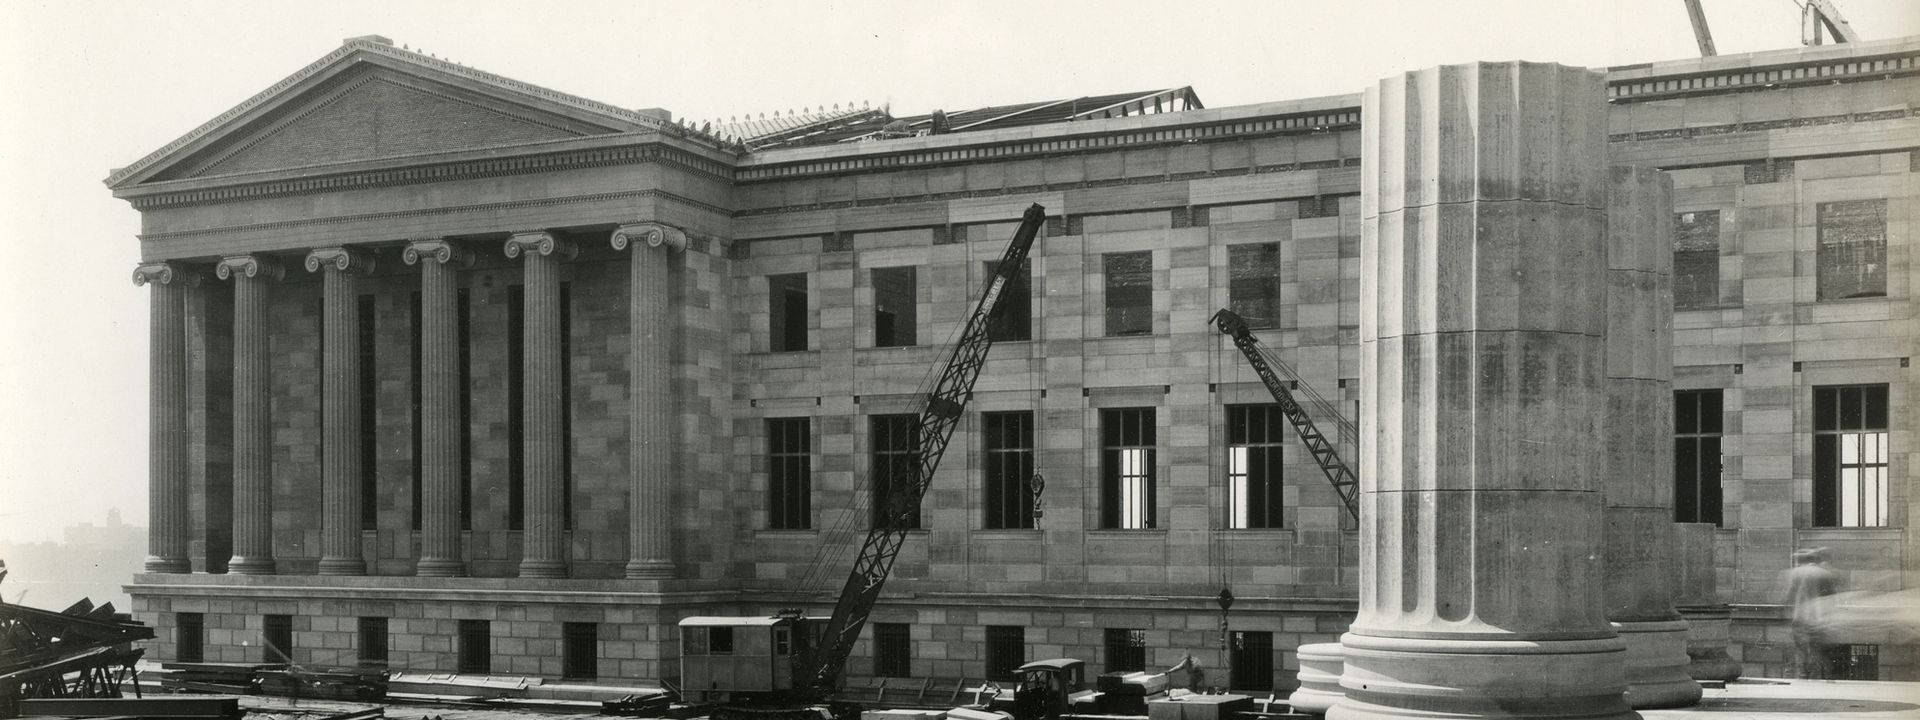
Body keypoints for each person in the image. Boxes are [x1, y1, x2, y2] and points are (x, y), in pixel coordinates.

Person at [1784, 547, 1841, 679]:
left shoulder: (1795, 573)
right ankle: (1816, 678)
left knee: (1801, 651)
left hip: (1800, 618)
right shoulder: (1824, 574)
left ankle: (1802, 676)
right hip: (1819, 619)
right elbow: (1832, 598)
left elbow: (1789, 596)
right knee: (1818, 652)